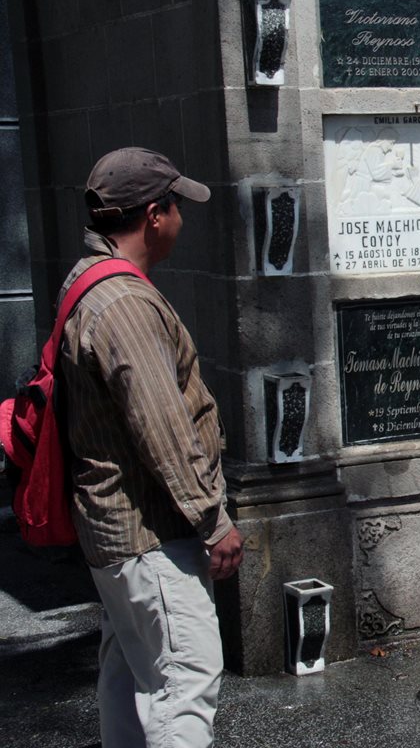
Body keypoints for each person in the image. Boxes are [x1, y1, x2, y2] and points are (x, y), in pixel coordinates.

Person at [59, 147, 243, 746]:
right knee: (185, 680)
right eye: (176, 208)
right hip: (147, 537)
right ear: (155, 215)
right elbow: (164, 428)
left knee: (132, 674)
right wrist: (213, 521)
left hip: (116, 535)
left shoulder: (88, 282)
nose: (181, 222)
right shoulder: (126, 304)